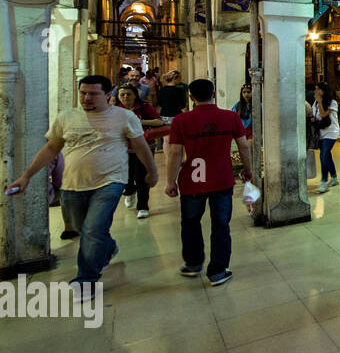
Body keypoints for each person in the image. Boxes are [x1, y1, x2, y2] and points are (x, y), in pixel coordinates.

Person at [6, 75, 157, 291]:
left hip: (110, 181)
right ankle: (107, 248)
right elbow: (51, 148)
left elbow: (141, 146)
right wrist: (26, 175)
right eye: (83, 93)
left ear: (107, 95)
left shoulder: (124, 117)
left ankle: (86, 279)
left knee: (93, 230)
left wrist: (152, 171)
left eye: (93, 94)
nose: (87, 98)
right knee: (81, 228)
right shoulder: (66, 117)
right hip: (72, 184)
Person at [165, 79, 252, 286]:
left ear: (191, 97)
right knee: (221, 224)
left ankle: (193, 263)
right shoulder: (230, 117)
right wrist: (248, 170)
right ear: (214, 94)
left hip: (192, 180)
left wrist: (170, 181)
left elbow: (175, 153)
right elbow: (243, 147)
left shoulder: (181, 120)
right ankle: (218, 271)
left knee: (190, 222)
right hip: (221, 178)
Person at [115, 83, 163, 219]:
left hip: (144, 147)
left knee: (142, 177)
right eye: (122, 95)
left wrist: (137, 121)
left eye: (128, 94)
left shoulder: (144, 107)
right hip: (123, 148)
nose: (125, 97)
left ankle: (143, 206)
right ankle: (129, 191)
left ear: (135, 95)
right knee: (126, 176)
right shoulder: (114, 110)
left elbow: (159, 122)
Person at [308, 82, 340, 194]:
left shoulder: (333, 103)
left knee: (323, 155)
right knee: (327, 155)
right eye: (315, 89)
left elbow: (323, 114)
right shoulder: (315, 103)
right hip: (321, 133)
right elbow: (314, 115)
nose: (316, 91)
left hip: (331, 132)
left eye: (318, 89)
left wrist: (320, 102)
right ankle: (334, 177)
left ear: (324, 91)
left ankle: (323, 181)